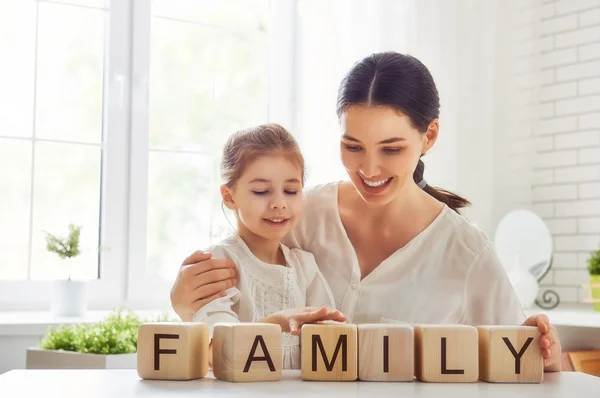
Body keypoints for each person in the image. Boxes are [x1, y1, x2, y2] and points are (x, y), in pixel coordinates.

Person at [171, 52, 562, 372]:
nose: (369, 169)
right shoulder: (294, 215)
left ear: (429, 136)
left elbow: (521, 361)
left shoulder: (466, 253)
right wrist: (183, 302)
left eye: (391, 149)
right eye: (353, 146)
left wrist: (543, 354)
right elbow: (223, 320)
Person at [192, 123, 345, 369]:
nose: (279, 203)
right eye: (262, 191)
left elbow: (331, 342)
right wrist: (277, 322)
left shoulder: (304, 266)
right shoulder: (220, 262)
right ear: (230, 197)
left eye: (291, 190)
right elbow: (216, 352)